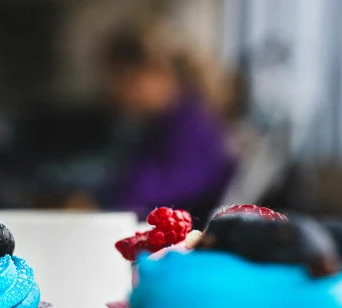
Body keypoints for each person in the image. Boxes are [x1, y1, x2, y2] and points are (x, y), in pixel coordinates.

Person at [97, 20, 237, 221]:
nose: (116, 92)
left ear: (154, 71)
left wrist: (100, 200)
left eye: (122, 79)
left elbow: (142, 197)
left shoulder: (192, 127)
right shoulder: (162, 122)